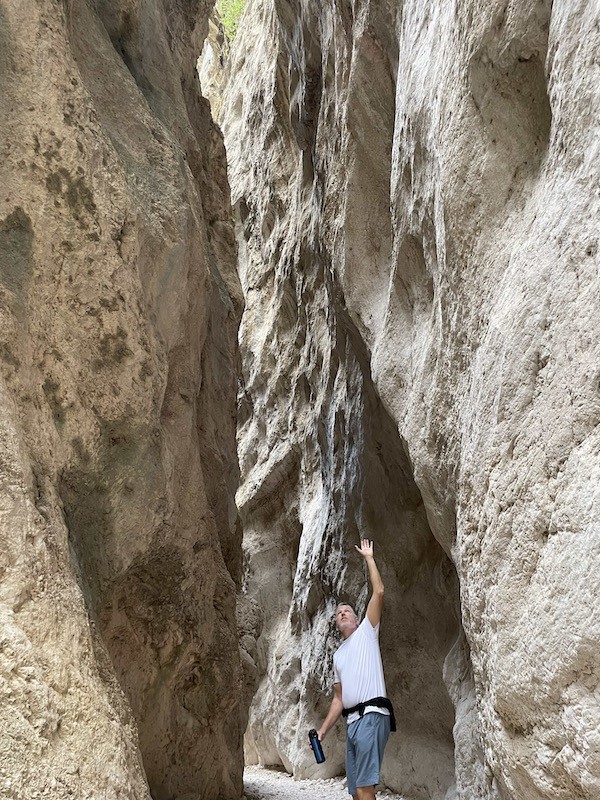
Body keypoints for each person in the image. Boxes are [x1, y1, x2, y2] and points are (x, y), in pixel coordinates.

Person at [314, 539, 395, 800]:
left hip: (372, 715)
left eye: (347, 611)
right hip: (353, 722)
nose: (343, 614)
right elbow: (338, 698)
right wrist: (323, 730)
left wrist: (369, 558)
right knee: (355, 793)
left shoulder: (367, 633)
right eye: (338, 613)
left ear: (358, 618)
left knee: (364, 787)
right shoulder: (338, 656)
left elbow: (379, 592)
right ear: (337, 624)